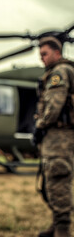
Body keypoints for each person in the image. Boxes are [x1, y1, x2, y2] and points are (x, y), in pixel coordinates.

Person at [33, 36, 74, 237]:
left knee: (58, 179)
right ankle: (57, 224)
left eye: (45, 54)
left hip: (60, 135)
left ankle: (63, 230)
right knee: (51, 181)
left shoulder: (59, 72)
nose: (42, 58)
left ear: (57, 53)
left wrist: (40, 125)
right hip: (56, 135)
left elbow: (54, 105)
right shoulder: (56, 72)